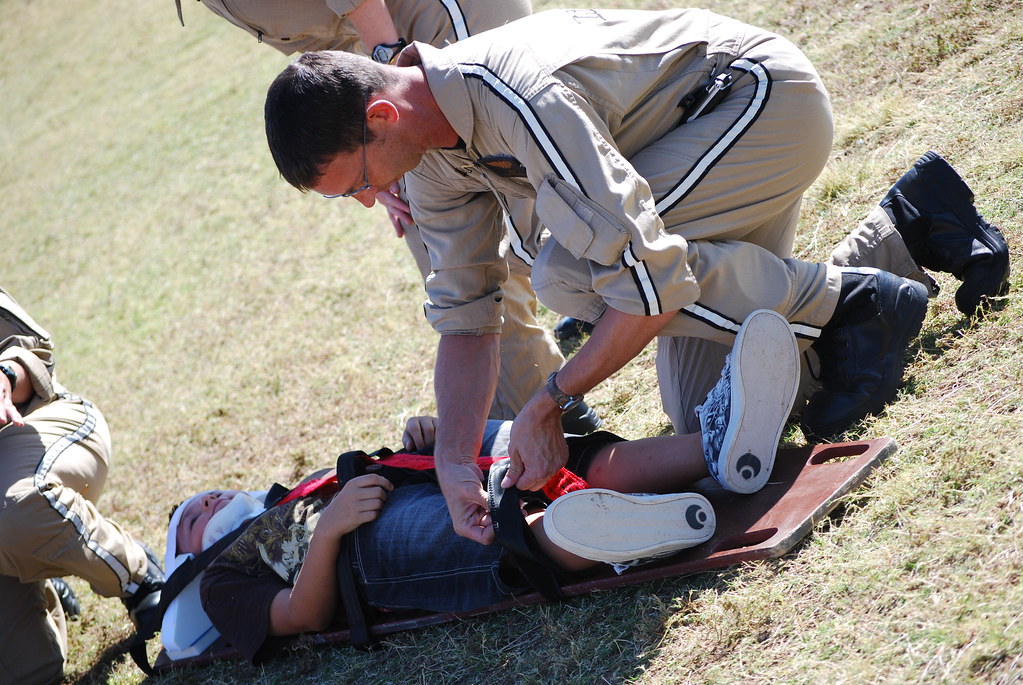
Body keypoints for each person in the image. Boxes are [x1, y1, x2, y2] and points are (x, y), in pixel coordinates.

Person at [262, 8, 1009, 543]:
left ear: (384, 116)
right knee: (706, 416)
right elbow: (465, 315)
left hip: (760, 105)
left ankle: (848, 302)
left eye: (356, 181)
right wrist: (455, 457)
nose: (370, 200)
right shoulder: (427, 158)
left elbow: (647, 278)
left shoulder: (513, 93)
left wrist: (551, 399)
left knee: (572, 272)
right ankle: (907, 226)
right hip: (690, 167)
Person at [166, 309, 799, 664]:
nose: (210, 504)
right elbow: (298, 615)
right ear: (188, 557)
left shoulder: (289, 497)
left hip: (410, 482)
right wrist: (330, 531)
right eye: (194, 519)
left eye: (208, 494)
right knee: (496, 533)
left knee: (565, 457)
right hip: (369, 551)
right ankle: (604, 534)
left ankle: (720, 450)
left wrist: (426, 444)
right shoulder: (220, 581)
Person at [181, 0, 601, 429]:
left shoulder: (391, 110)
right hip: (371, 73)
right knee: (451, 258)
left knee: (545, 209)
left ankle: (565, 383)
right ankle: (526, 414)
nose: (364, 200)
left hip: (429, 31)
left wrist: (386, 135)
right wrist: (370, 163)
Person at [0, 286, 165, 685]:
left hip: (37, 431)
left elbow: (34, 357)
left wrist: (4, 376)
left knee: (16, 509)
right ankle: (41, 577)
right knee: (28, 675)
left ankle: (136, 575)